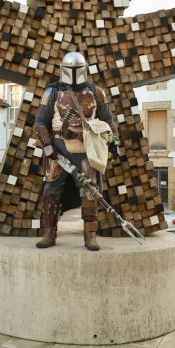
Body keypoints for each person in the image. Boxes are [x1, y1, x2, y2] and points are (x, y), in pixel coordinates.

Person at [34, 52, 119, 251]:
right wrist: (48, 147)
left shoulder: (96, 92)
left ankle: (90, 237)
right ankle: (49, 234)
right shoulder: (52, 92)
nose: (73, 74)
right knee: (51, 190)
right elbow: (40, 122)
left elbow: (108, 121)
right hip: (59, 147)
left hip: (86, 148)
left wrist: (114, 144)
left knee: (89, 191)